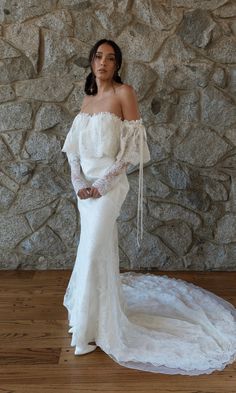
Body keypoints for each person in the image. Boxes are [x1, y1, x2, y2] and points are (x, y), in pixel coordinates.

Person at [61, 38, 236, 375]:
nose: (103, 63)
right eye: (98, 57)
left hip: (110, 188)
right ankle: (91, 321)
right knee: (89, 251)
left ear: (117, 64)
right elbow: (73, 151)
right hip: (86, 192)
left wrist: (100, 185)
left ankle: (88, 331)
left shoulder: (124, 94)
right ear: (91, 61)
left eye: (111, 58)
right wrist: (79, 183)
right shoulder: (87, 99)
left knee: (94, 249)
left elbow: (131, 151)